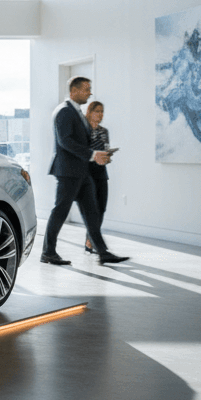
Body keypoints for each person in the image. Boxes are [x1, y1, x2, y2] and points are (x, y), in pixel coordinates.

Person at [41, 77, 128, 266]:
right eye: (86, 89)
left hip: (81, 172)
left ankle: (103, 252)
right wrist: (92, 155)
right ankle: (48, 252)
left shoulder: (76, 112)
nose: (90, 93)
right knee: (60, 211)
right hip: (68, 172)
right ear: (74, 90)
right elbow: (65, 141)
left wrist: (99, 155)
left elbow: (80, 140)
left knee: (92, 213)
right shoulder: (64, 111)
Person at [84, 100, 111, 253]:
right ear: (90, 112)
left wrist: (108, 156)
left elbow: (105, 149)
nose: (100, 115)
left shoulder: (104, 131)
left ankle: (90, 238)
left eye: (102, 112)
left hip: (101, 173)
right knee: (91, 210)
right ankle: (91, 240)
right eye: (97, 111)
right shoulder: (83, 130)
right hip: (87, 174)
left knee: (101, 208)